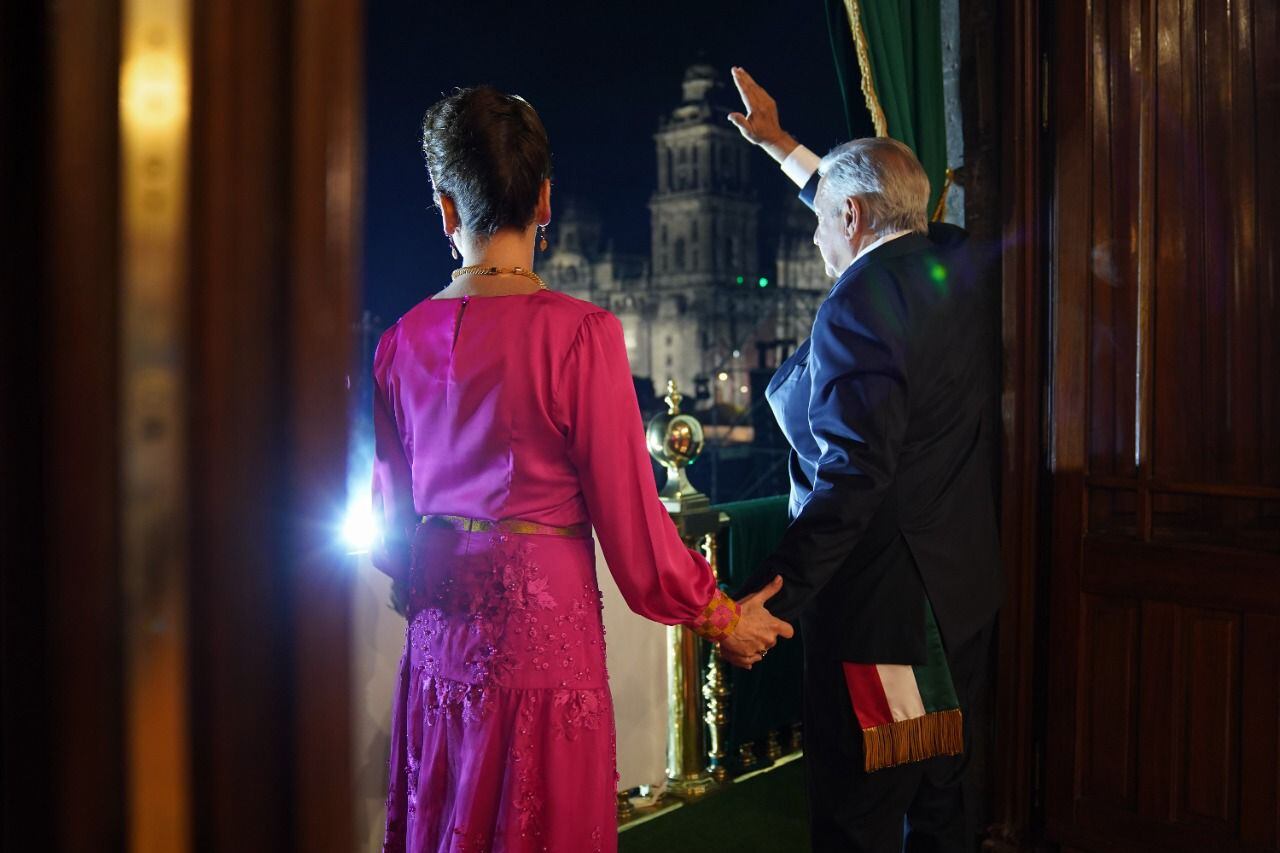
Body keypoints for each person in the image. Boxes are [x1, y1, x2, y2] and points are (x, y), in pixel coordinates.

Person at [369, 85, 791, 853]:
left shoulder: (398, 343)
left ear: (446, 211)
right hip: (544, 652)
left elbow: (387, 530)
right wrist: (724, 617)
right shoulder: (581, 336)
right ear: (545, 201)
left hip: (438, 650)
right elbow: (635, 534)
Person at [725, 67, 1002, 852]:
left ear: (851, 215)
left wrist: (770, 598)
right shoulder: (953, 264)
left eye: (825, 221)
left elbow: (851, 476)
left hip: (889, 628)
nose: (816, 237)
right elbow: (876, 200)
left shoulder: (856, 303)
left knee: (861, 819)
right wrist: (785, 149)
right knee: (944, 813)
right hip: (957, 608)